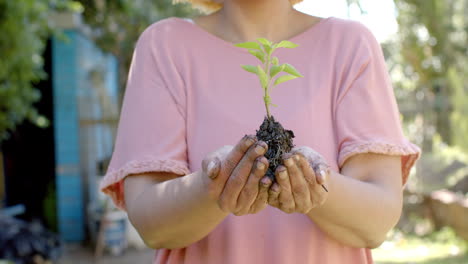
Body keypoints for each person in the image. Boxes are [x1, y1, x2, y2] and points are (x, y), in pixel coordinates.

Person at [99, 0, 422, 263]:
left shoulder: (350, 45)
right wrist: (210, 186)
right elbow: (151, 225)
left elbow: (377, 220)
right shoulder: (164, 46)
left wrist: (318, 185)